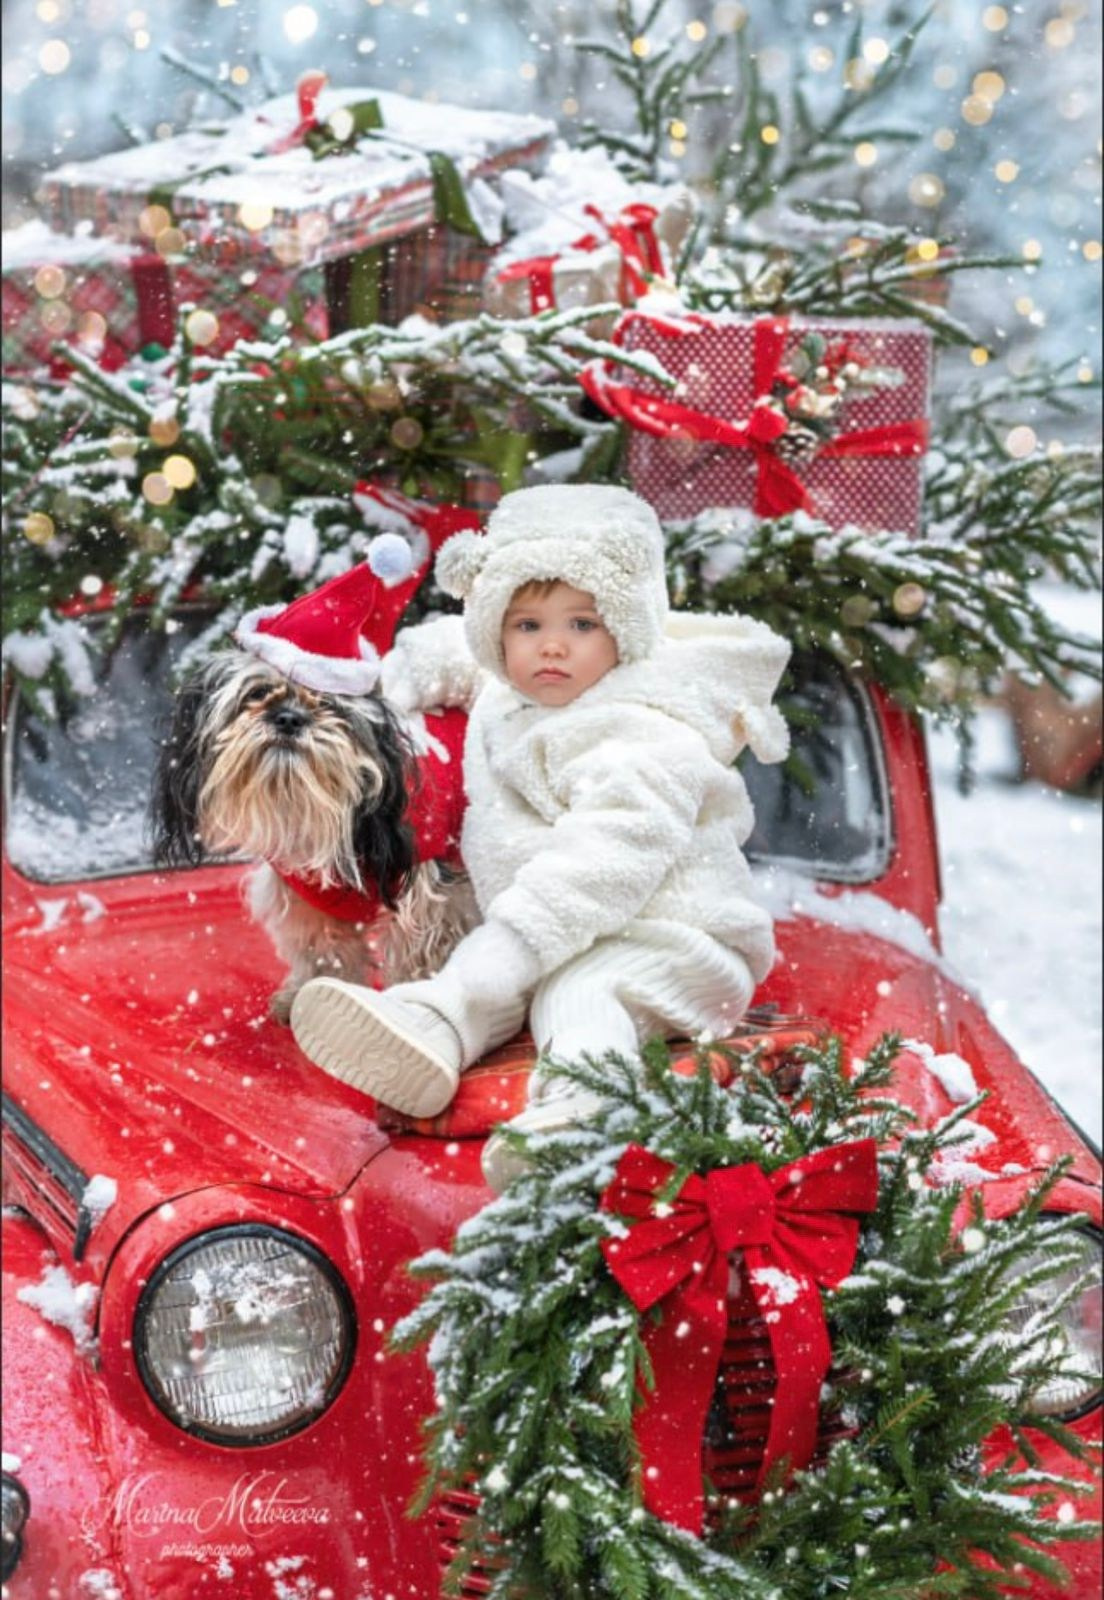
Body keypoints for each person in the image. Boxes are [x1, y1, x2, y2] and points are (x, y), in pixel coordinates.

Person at [290, 484, 790, 1181]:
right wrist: (403, 672)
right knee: (501, 994)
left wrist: (511, 945)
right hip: (561, 934)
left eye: (583, 624)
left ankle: (584, 1119)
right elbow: (462, 659)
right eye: (526, 626)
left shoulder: (643, 732)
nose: (551, 644)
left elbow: (602, 862)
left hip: (676, 942)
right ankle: (431, 1032)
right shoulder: (519, 689)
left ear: (627, 630)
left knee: (579, 995)